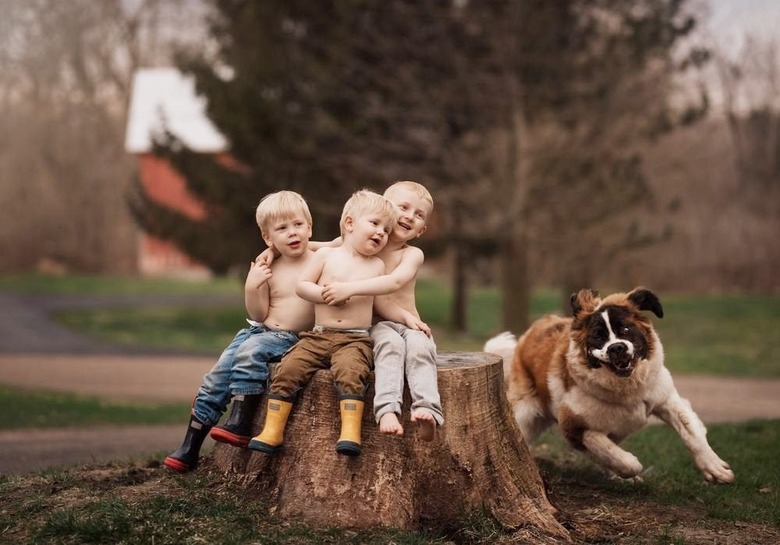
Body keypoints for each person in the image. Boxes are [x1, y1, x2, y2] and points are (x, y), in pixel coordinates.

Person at [248, 189, 424, 456]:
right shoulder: (325, 256)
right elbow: (302, 285)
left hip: (354, 338)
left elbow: (381, 303)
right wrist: (323, 295)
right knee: (289, 368)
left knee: (352, 374)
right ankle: (272, 430)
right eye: (375, 224)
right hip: (318, 335)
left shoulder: (376, 266)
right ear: (350, 224)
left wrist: (407, 317)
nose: (381, 233)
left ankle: (350, 433)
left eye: (386, 230)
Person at [164, 190, 316, 473]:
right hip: (258, 331)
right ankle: (189, 447)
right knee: (215, 379)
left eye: (298, 225)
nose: (292, 233)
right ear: (267, 238)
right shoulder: (269, 266)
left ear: (310, 226)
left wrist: (281, 245)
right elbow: (258, 314)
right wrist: (252, 285)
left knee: (252, 352)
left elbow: (343, 242)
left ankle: (241, 421)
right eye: (282, 229)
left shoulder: (321, 257)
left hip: (290, 339)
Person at [320, 181, 441, 441]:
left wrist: (349, 288)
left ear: (422, 230)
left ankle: (426, 410)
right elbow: (317, 247)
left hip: (410, 324)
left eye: (419, 215)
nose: (410, 216)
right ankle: (387, 410)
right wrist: (273, 251)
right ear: (385, 208)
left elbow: (394, 282)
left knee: (422, 348)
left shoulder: (412, 254)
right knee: (391, 345)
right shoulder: (361, 243)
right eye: (404, 207)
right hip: (378, 325)